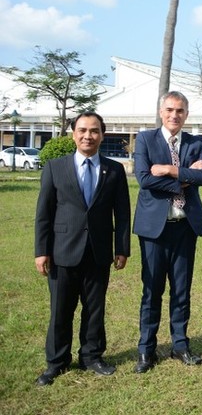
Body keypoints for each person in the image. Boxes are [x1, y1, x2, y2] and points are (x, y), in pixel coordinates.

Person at [34, 112, 130, 386]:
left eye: (95, 131)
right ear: (73, 133)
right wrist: (42, 250)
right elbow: (44, 213)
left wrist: (121, 248)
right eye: (83, 130)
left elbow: (122, 212)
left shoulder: (114, 170)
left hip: (98, 252)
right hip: (62, 251)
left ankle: (92, 356)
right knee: (60, 310)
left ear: (102, 135)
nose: (89, 135)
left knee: (95, 309)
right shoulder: (55, 167)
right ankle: (56, 362)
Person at [132, 91, 202, 373]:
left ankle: (180, 345)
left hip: (184, 229)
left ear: (186, 114)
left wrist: (167, 169)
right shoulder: (145, 139)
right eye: (169, 110)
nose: (174, 115)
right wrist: (185, 177)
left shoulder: (195, 142)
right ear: (160, 111)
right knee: (152, 290)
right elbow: (143, 178)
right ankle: (146, 350)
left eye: (180, 110)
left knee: (181, 290)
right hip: (154, 230)